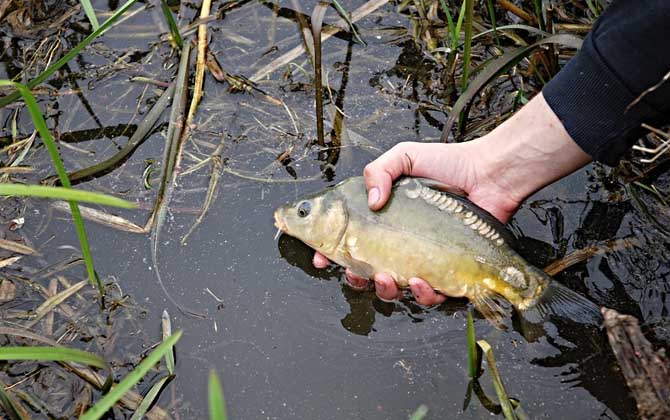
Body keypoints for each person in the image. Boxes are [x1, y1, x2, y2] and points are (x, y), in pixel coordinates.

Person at [313, 0, 670, 305]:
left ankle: (531, 295)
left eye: (305, 211)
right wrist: (494, 167)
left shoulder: (352, 200)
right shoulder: (352, 205)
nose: (296, 214)